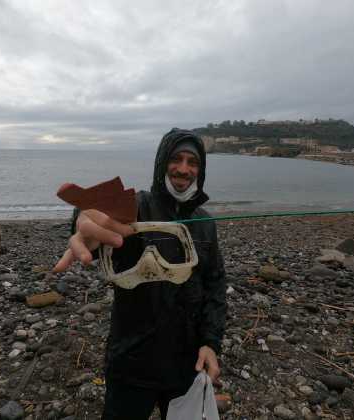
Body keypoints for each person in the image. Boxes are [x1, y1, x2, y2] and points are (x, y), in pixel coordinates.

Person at [54, 128, 227, 420]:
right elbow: (100, 219)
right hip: (131, 363)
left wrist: (211, 342)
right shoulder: (135, 208)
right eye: (176, 159)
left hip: (187, 364)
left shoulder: (205, 224)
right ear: (162, 163)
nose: (184, 169)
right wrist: (81, 222)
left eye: (192, 162)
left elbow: (215, 285)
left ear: (201, 169)